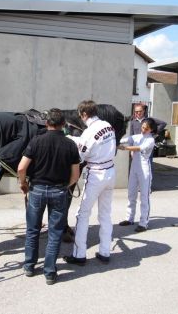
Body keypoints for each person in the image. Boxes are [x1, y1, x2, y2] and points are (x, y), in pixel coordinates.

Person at [18, 108, 80, 285]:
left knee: (32, 230)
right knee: (55, 233)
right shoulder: (70, 145)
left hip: (36, 190)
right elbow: (75, 176)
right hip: (58, 191)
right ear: (63, 125)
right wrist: (64, 186)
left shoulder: (36, 141)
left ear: (47, 123)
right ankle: (50, 273)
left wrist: (23, 184)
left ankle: (29, 266)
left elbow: (22, 168)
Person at [63, 100, 116, 266]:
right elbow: (90, 142)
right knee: (105, 215)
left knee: (83, 215)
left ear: (84, 114)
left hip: (96, 175)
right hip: (110, 172)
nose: (81, 118)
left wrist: (68, 141)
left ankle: (79, 255)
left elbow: (80, 156)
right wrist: (72, 137)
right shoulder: (107, 125)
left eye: (81, 116)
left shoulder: (88, 133)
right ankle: (105, 252)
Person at [118, 118, 157, 232]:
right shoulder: (136, 137)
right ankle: (129, 218)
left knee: (144, 196)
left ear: (151, 129)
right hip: (134, 168)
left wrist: (124, 148)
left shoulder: (150, 140)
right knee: (131, 193)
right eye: (143, 127)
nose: (143, 129)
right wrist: (115, 140)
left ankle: (143, 223)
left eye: (146, 128)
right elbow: (125, 139)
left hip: (144, 170)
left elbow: (139, 148)